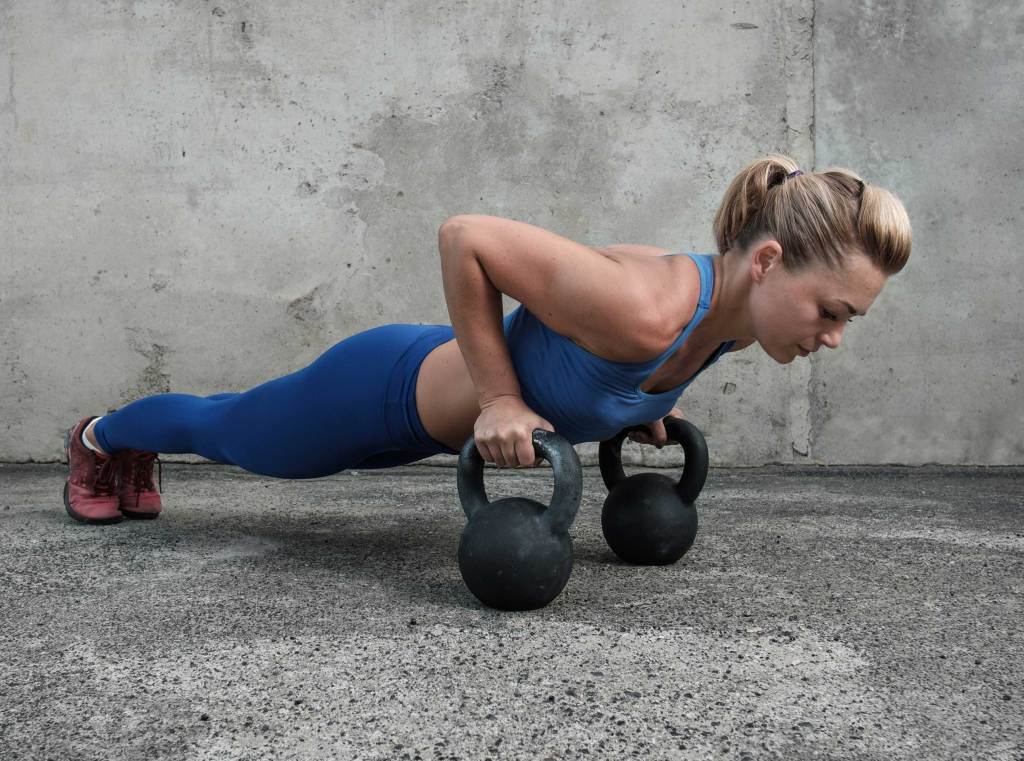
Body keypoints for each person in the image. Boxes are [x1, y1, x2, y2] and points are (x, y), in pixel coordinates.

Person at [63, 154, 912, 524]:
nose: (834, 336)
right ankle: (104, 437)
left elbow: (608, 367)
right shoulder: (644, 307)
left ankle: (126, 445)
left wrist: (641, 406)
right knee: (233, 431)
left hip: (427, 421)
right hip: (389, 391)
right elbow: (464, 234)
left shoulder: (723, 323)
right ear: (767, 262)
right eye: (832, 310)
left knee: (237, 427)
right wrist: (503, 396)